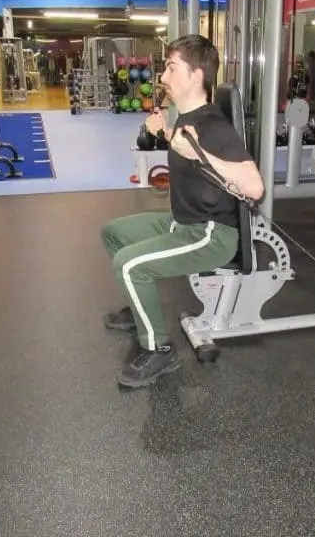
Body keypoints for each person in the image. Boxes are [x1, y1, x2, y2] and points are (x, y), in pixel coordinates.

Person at [101, 34, 265, 388]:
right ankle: (141, 305)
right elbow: (186, 148)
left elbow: (255, 188)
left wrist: (196, 153)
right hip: (181, 222)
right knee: (113, 232)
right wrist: (164, 134)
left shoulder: (215, 126)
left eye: (171, 68)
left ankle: (159, 349)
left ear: (195, 75)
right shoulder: (188, 118)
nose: (162, 76)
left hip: (210, 234)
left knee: (127, 264)